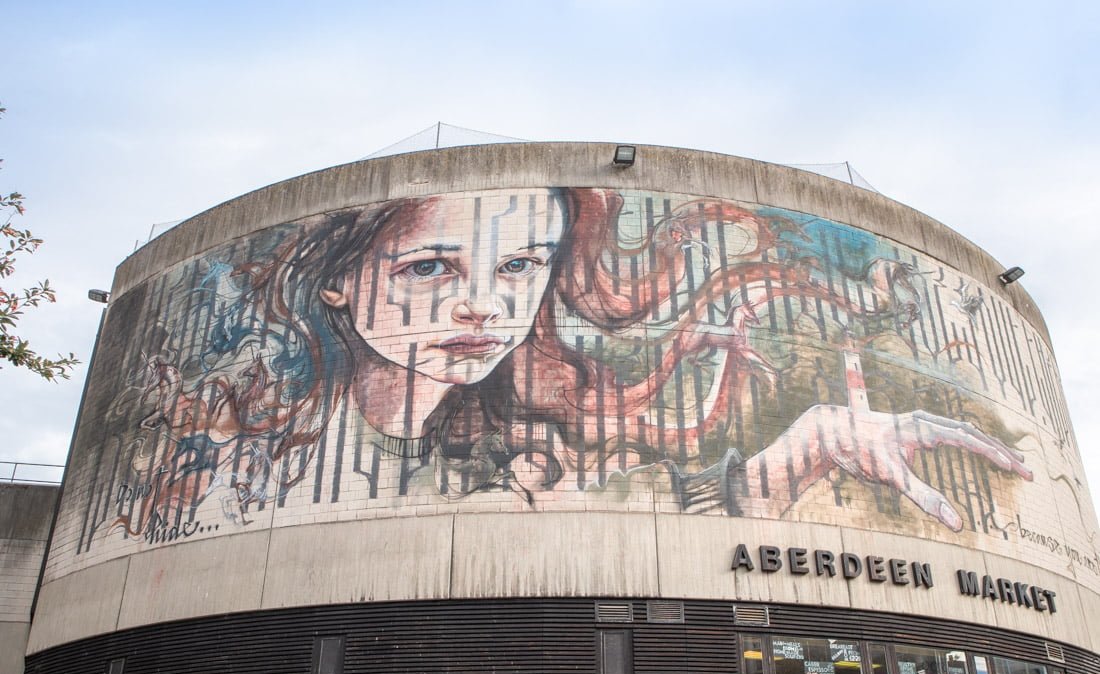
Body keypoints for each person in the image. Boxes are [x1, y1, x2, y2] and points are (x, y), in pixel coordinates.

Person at [118, 187, 1031, 540]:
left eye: (521, 265)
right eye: (431, 265)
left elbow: (661, 506)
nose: (485, 306)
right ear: (336, 285)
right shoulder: (263, 455)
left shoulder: (506, 429)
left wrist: (812, 445)